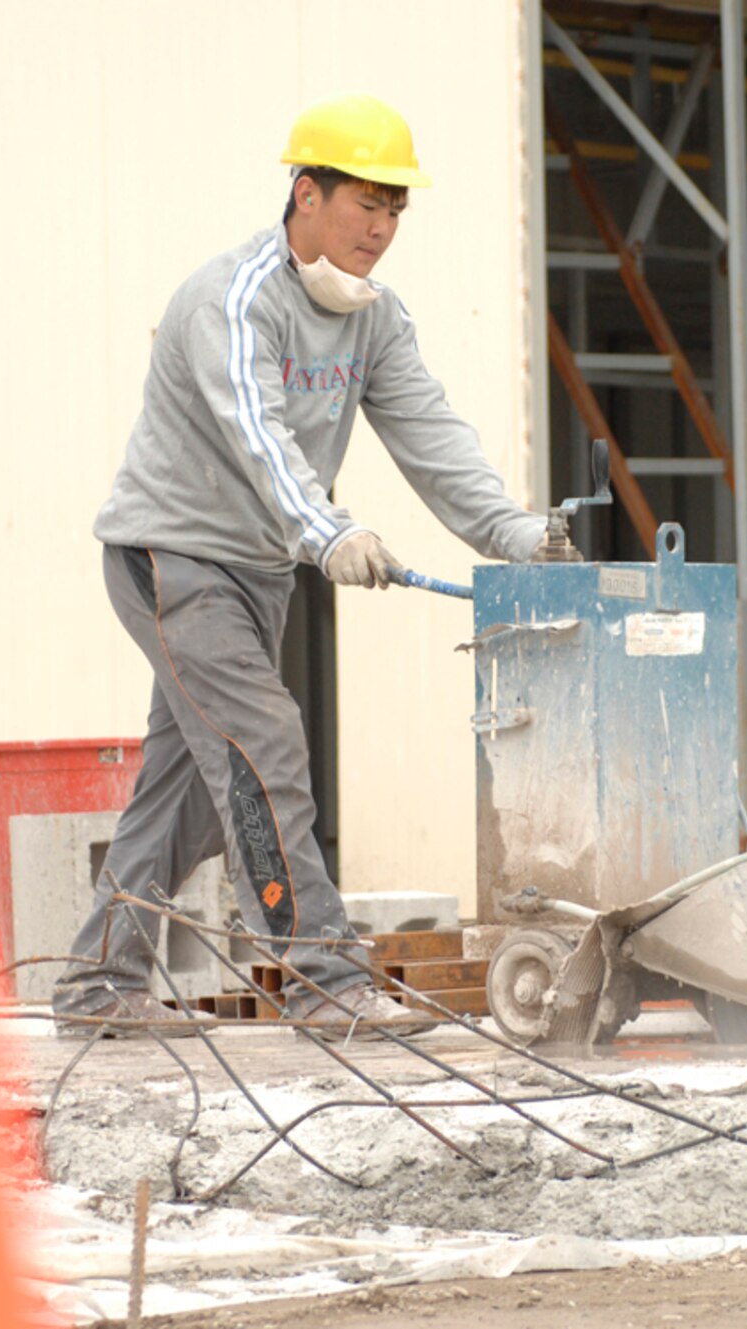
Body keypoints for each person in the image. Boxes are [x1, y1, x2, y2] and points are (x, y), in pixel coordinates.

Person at [52, 94, 547, 1038]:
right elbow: (259, 435)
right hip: (175, 555)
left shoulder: (374, 319)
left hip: (257, 572)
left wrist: (522, 538)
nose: (382, 226)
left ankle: (94, 981)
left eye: (396, 208)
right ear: (305, 192)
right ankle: (323, 976)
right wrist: (328, 531)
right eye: (365, 202)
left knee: (192, 783)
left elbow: (433, 438)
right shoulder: (231, 301)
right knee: (264, 743)